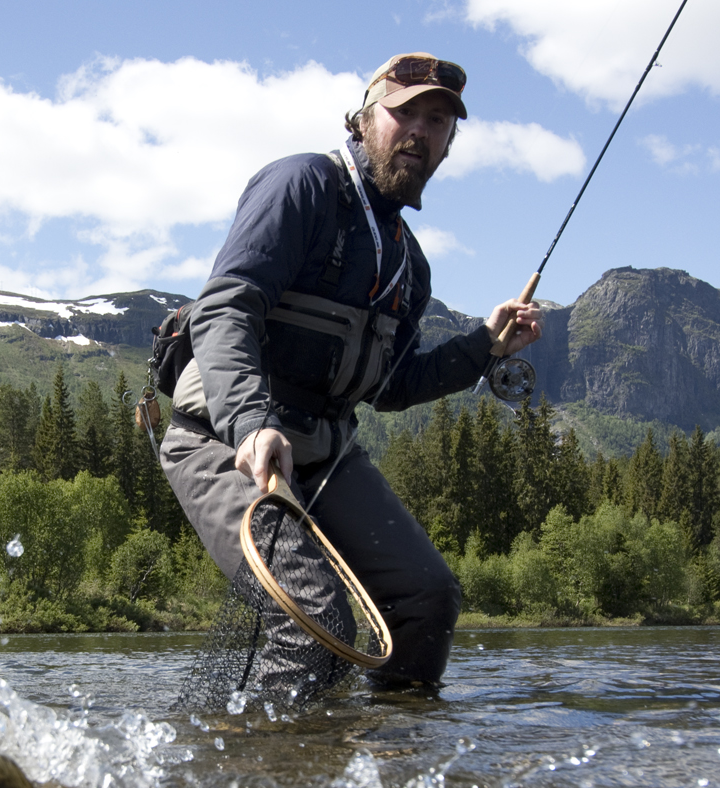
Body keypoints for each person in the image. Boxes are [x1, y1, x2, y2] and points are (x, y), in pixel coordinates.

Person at [160, 52, 543, 689]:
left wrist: (484, 347)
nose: (421, 131)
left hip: (326, 456)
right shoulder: (302, 185)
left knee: (428, 597)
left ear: (450, 143)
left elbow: (392, 388)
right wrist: (253, 426)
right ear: (366, 119)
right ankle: (268, 774)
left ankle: (388, 763)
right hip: (220, 439)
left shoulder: (411, 268)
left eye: (440, 121)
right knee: (313, 616)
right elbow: (227, 306)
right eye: (406, 113)